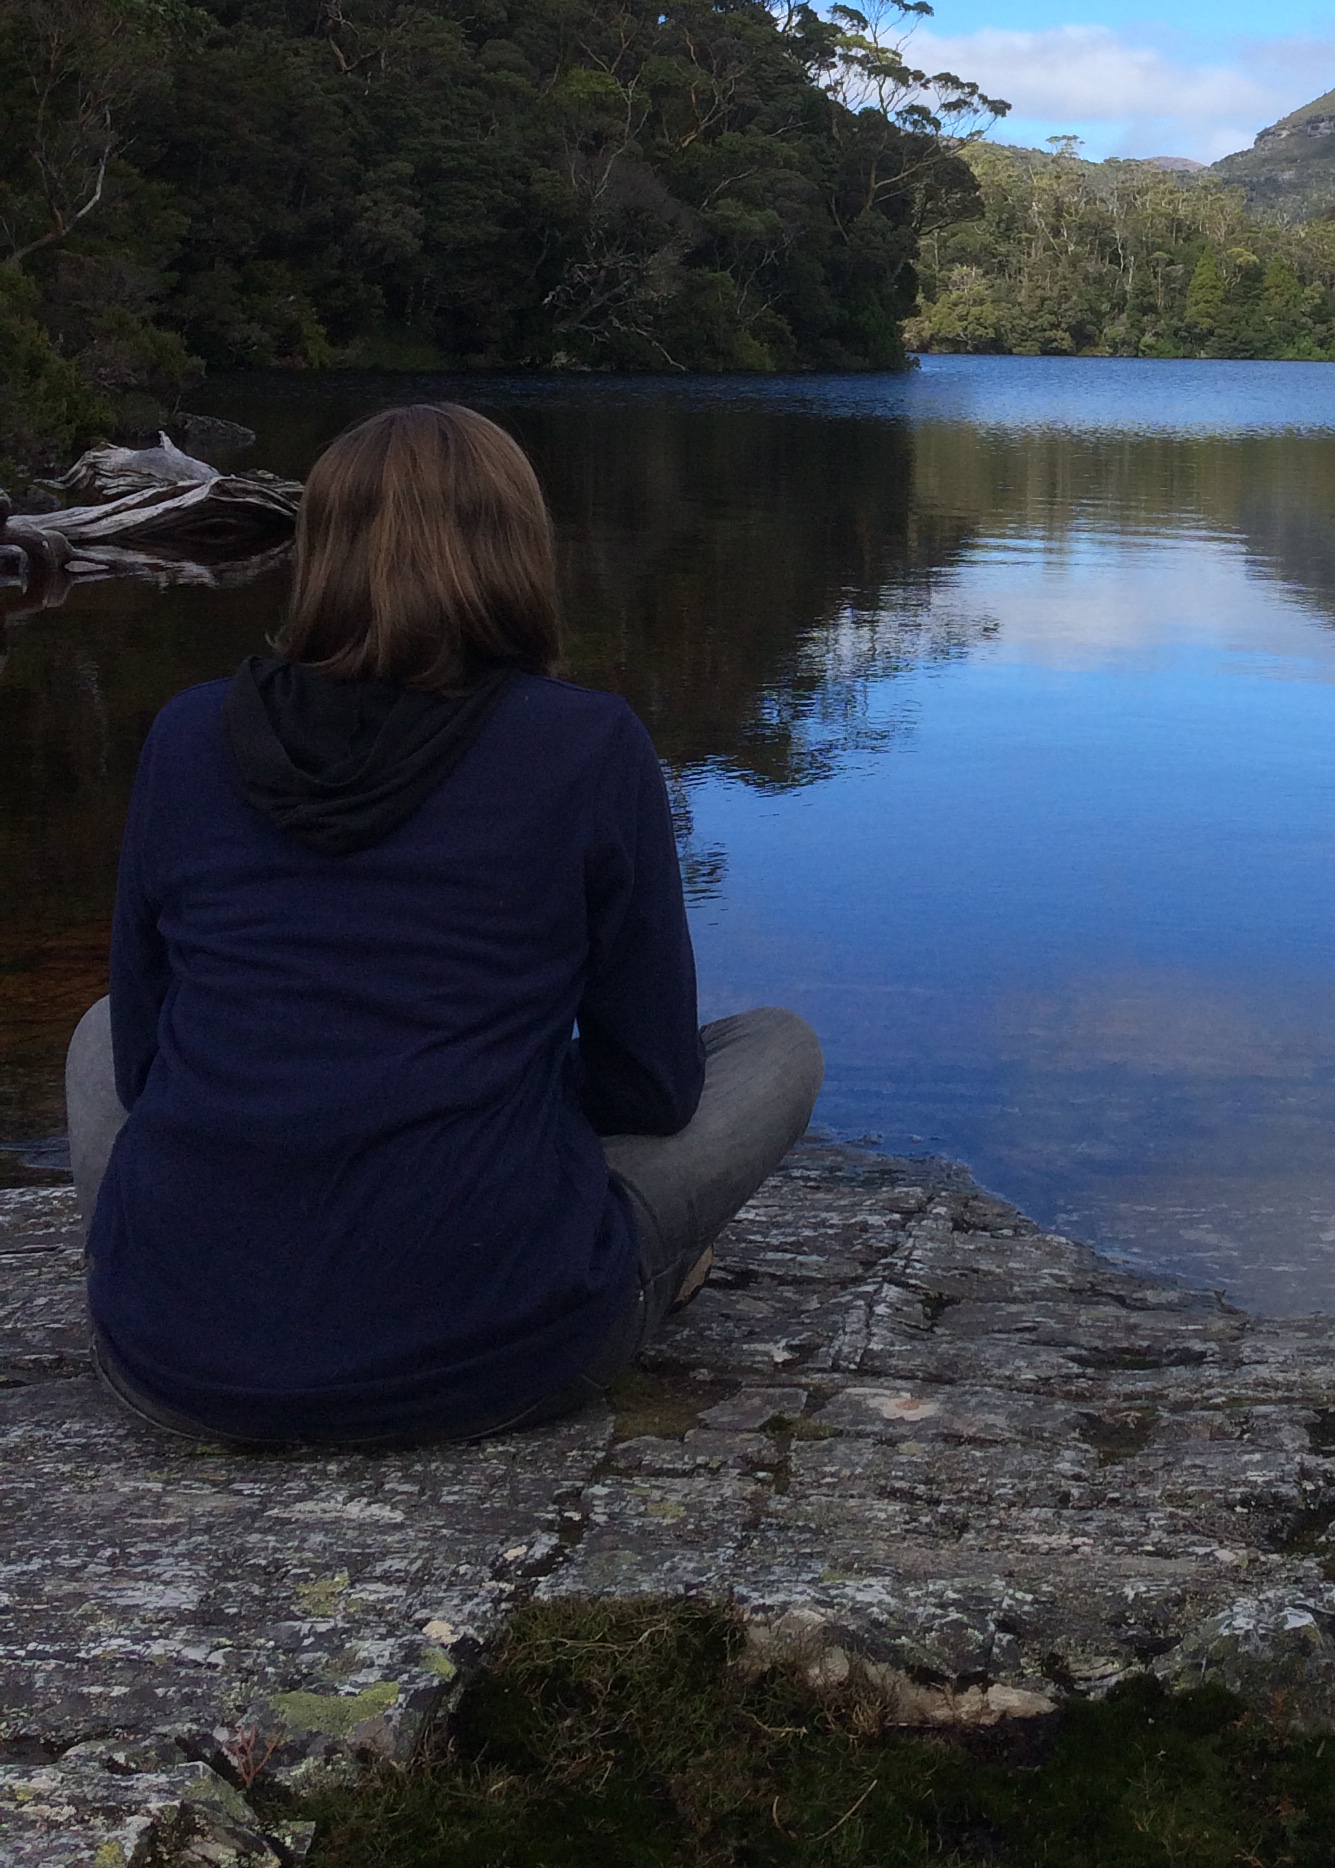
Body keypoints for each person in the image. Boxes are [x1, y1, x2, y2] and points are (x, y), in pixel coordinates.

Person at [66, 400, 823, 1447]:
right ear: (517, 553)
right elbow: (650, 1086)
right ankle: (644, 1271)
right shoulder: (587, 745)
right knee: (777, 1048)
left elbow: (149, 1064)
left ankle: (174, 1270)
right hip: (492, 1358)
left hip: (173, 1363)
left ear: (321, 553)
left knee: (99, 1029)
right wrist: (487, 1087)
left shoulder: (189, 734)